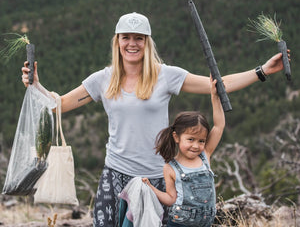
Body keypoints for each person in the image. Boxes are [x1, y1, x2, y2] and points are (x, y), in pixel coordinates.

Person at [21, 12, 290, 227]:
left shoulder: (166, 75)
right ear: (117, 41)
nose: (132, 43)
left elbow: (217, 84)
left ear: (147, 42)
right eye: (126, 37)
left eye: (139, 38)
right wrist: (36, 86)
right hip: (115, 175)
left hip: (159, 179)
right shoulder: (102, 79)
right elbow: (60, 105)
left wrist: (262, 71)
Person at [142, 76, 224, 227]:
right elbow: (171, 199)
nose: (196, 146)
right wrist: (150, 188)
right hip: (180, 223)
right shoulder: (170, 167)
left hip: (205, 223)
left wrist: (214, 97)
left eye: (201, 141)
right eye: (191, 139)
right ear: (177, 137)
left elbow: (218, 126)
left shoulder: (205, 155)